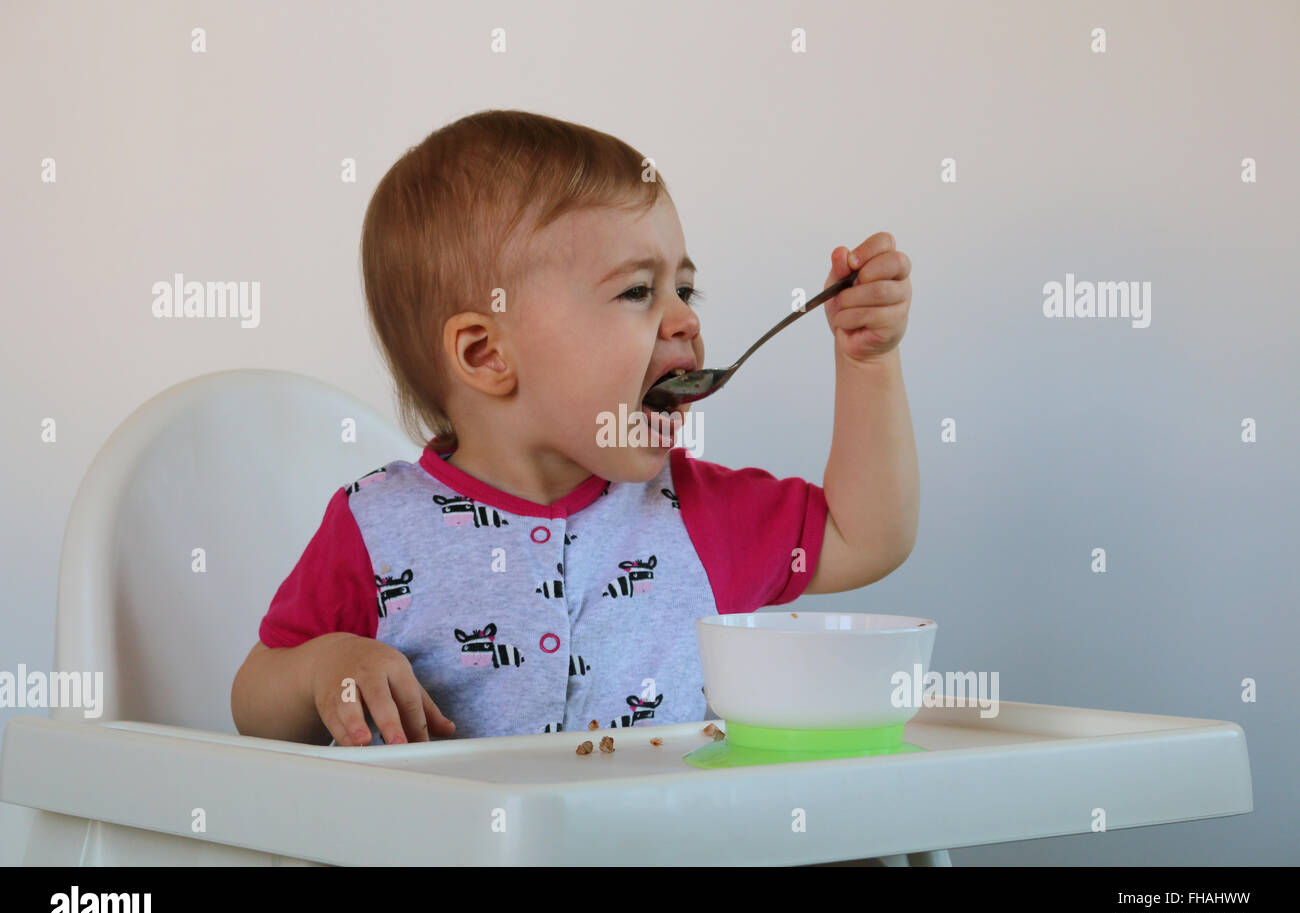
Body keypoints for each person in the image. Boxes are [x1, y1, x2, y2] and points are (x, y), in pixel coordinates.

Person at [230, 108, 916, 749]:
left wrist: (869, 362)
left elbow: (866, 536)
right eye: (637, 292)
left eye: (685, 288)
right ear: (486, 355)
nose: (685, 320)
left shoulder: (699, 517)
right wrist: (329, 666)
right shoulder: (375, 527)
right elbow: (255, 701)